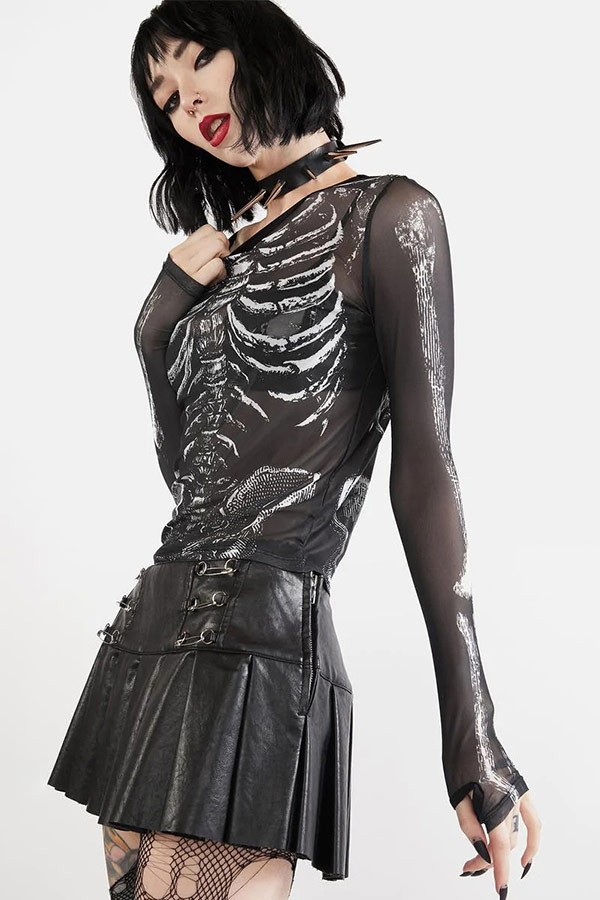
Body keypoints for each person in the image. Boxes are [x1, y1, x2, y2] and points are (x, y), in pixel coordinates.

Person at [46, 1, 542, 898]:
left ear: (261, 45)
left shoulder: (391, 215)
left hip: (260, 642)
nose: (186, 101)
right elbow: (194, 484)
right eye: (164, 96)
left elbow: (427, 474)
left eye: (198, 61)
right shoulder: (225, 253)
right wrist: (154, 333)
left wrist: (473, 736)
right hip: (151, 628)